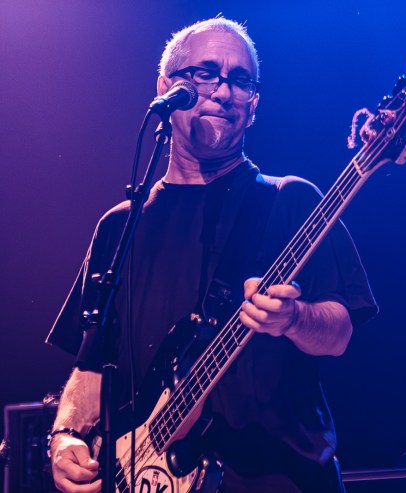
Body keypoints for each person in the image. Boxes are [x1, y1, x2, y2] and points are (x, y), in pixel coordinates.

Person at [45, 17, 377, 493]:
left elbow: (340, 333)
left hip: (279, 480)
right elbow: (93, 362)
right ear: (167, 88)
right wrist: (66, 435)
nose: (224, 92)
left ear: (253, 104)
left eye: (241, 81)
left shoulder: (289, 201)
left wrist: (294, 318)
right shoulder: (119, 227)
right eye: (205, 74)